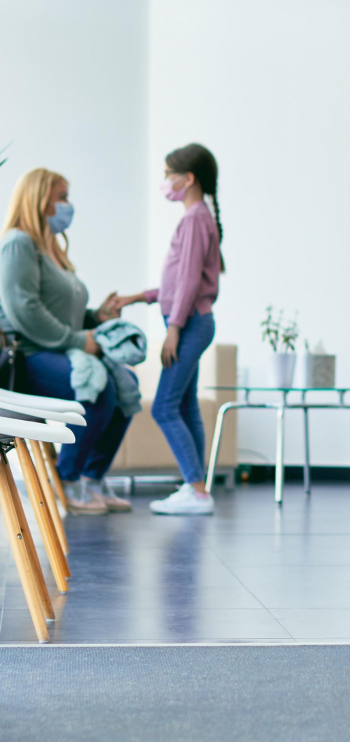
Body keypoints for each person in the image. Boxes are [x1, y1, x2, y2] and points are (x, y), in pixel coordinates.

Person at [0, 168, 133, 514]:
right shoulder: (17, 243)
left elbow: (63, 310)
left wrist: (96, 317)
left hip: (59, 348)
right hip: (29, 354)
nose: (67, 206)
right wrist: (78, 339)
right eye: (62, 198)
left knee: (127, 386)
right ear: (40, 200)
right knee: (100, 389)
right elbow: (24, 310)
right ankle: (66, 480)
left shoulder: (52, 249)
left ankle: (91, 479)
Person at [115, 144, 223, 515]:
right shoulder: (200, 216)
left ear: (187, 178)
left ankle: (196, 490)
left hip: (189, 323)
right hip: (192, 320)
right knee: (185, 405)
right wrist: (136, 297)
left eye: (168, 174)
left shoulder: (194, 219)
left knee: (163, 407)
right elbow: (180, 284)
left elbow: (190, 282)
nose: (164, 182)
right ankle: (196, 488)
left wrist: (174, 328)